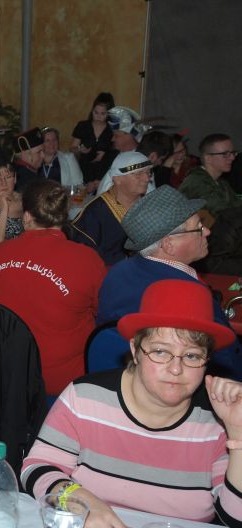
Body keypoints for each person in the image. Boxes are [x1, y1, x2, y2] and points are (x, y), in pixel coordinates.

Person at [21, 279, 242, 528]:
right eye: (160, 351)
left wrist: (238, 433)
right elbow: (36, 467)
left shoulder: (219, 419)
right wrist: (78, 497)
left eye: (192, 356)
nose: (176, 369)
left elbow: (237, 520)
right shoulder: (86, 398)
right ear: (135, 350)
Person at [98, 185, 242, 380]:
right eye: (199, 227)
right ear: (168, 245)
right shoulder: (190, 294)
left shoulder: (117, 273)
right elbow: (226, 360)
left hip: (118, 379)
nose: (207, 231)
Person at [0, 180, 106, 396]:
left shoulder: (0, 252)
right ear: (64, 216)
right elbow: (103, 313)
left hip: (6, 374)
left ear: (27, 216)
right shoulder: (86, 259)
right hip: (63, 384)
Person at [68, 151, 152, 265]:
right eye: (138, 174)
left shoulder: (149, 205)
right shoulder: (95, 213)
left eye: (148, 172)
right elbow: (83, 256)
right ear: (117, 179)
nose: (146, 178)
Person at [179, 133, 238, 217]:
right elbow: (222, 213)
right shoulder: (197, 182)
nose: (232, 157)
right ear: (208, 158)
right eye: (225, 154)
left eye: (232, 153)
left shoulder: (221, 183)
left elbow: (237, 206)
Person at [70, 92, 115, 187]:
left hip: (103, 174)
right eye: (96, 112)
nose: (98, 116)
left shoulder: (112, 130)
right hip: (83, 170)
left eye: (103, 113)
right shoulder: (83, 126)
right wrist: (79, 149)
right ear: (92, 111)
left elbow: (117, 151)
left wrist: (105, 154)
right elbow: (72, 148)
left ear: (109, 114)